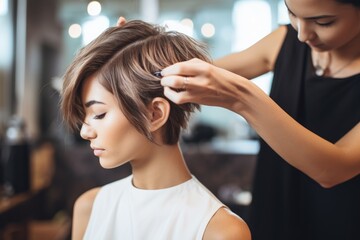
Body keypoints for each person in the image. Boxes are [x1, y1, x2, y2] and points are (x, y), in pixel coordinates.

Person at [154, 0, 360, 240]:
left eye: (323, 22)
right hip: (273, 211)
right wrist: (132, 56)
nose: (303, 34)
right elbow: (199, 74)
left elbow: (333, 169)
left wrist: (244, 100)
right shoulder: (284, 39)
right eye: (292, 14)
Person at [60, 20, 251, 240]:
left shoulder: (220, 231)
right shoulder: (90, 208)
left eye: (99, 114)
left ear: (155, 114)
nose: (85, 132)